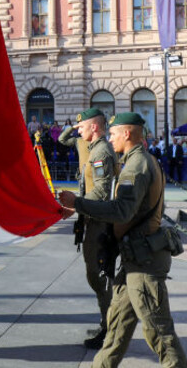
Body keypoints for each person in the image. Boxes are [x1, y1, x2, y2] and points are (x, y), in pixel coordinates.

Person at [59, 112, 187, 368]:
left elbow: (121, 210)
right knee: (117, 329)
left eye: (115, 133)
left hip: (144, 263)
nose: (111, 138)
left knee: (159, 334)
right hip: (135, 258)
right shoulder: (141, 160)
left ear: (127, 134)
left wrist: (78, 204)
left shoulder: (136, 166)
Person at [70, 107, 117, 349]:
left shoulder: (100, 152)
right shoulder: (94, 148)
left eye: (81, 126)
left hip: (100, 223)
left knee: (98, 276)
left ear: (94, 127)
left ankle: (109, 329)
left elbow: (101, 190)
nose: (78, 130)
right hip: (92, 218)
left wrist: (75, 203)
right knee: (96, 276)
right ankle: (107, 322)